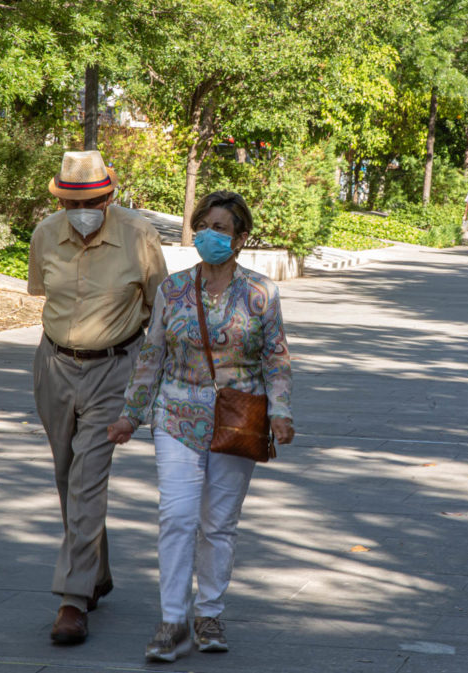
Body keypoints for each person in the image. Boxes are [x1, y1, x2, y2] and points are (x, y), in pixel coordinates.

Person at [107, 191, 294, 663]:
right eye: (204, 226)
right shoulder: (172, 289)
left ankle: (208, 613)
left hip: (238, 419)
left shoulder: (260, 292)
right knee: (177, 516)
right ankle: (173, 621)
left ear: (240, 238)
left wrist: (281, 412)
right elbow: (152, 355)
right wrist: (132, 413)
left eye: (222, 229)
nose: (211, 235)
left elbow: (276, 357)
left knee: (218, 525)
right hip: (176, 416)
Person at [28, 150, 168, 645]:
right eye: (70, 200)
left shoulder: (139, 236)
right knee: (68, 475)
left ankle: (72, 599)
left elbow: (161, 307)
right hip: (54, 365)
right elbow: (42, 291)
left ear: (109, 196)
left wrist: (146, 378)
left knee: (88, 477)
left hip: (114, 368)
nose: (80, 208)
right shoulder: (46, 233)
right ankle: (96, 574)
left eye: (90, 200)